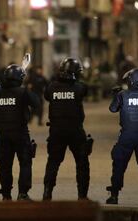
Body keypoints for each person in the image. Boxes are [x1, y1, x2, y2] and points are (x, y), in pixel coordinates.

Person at [106, 68, 138, 206]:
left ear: (131, 81)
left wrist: (116, 95)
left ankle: (114, 196)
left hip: (127, 137)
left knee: (119, 165)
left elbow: (112, 109)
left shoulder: (123, 95)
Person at [0, 64, 39, 201]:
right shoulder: (22, 92)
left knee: (5, 165)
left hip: (3, 135)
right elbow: (37, 103)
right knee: (25, 162)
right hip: (20, 133)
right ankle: (22, 194)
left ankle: (5, 195)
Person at [42, 58, 90, 201]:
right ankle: (82, 196)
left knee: (53, 162)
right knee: (82, 163)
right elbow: (83, 89)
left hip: (57, 131)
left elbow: (47, 96)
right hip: (75, 131)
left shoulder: (51, 87)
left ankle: (47, 193)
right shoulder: (79, 88)